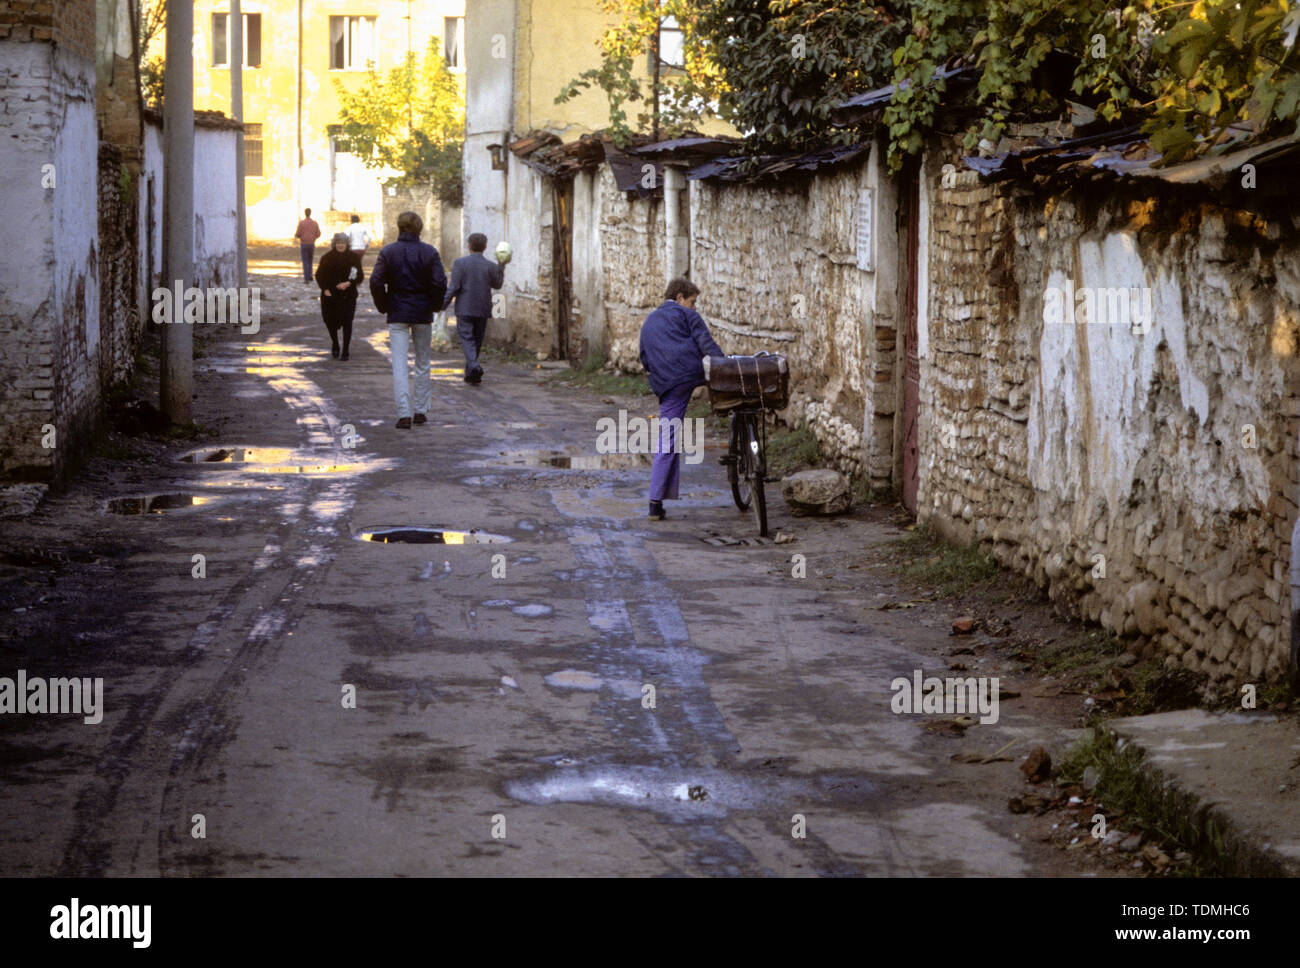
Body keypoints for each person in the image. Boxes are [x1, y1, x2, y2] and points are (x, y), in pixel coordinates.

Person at [638, 277, 724, 521]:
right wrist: (726, 366)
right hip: (690, 374)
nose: (695, 307)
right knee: (668, 439)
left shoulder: (649, 321)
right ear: (679, 298)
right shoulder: (689, 317)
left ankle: (656, 502)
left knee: (669, 436)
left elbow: (644, 358)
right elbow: (707, 346)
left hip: (667, 383)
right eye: (693, 302)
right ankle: (655, 501)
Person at [369, 211, 447, 430]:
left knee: (400, 364)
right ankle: (421, 410)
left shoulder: (388, 252)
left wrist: (384, 305)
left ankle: (404, 414)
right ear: (419, 228)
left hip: (398, 312)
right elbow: (440, 282)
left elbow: (376, 281)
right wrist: (434, 304)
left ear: (399, 227)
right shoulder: (429, 252)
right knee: (422, 362)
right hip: (422, 312)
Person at [443, 232, 505, 384]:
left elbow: (454, 287)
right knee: (476, 341)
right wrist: (501, 266)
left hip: (465, 308)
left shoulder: (460, 263)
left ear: (469, 246)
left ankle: (474, 366)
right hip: (483, 308)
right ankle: (471, 374)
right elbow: (498, 285)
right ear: (485, 247)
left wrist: (442, 305)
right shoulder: (490, 265)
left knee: (467, 339)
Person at [315, 232, 364, 361]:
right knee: (330, 321)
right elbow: (319, 275)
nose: (340, 245)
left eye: (343, 243)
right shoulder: (327, 257)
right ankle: (335, 342)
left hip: (348, 296)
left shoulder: (353, 257)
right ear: (334, 244)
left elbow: (359, 276)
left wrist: (348, 283)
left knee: (347, 322)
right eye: (338, 243)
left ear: (347, 244)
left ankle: (346, 350)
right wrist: (325, 289)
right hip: (330, 295)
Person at [294, 207, 321, 283]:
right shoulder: (315, 223)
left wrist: (299, 236)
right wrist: (314, 238)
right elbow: (318, 233)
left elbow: (298, 234)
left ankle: (306, 278)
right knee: (310, 260)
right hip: (312, 244)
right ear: (310, 213)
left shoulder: (301, 223)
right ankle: (310, 275)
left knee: (305, 261)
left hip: (304, 244)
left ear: (305, 213)